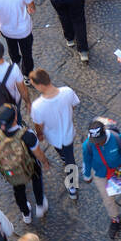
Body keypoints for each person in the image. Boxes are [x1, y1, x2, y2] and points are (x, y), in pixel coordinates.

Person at [0, 103, 48, 222]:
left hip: (12, 170)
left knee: (18, 189)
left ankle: (26, 214)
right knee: (37, 181)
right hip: (31, 166)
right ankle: (40, 206)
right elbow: (38, 153)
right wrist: (45, 162)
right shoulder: (28, 135)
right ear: (15, 118)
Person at [30, 68, 81, 197]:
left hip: (53, 137)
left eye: (34, 84)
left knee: (69, 159)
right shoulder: (67, 91)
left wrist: (39, 134)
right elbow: (73, 104)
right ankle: (67, 166)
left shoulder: (37, 106)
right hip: (68, 133)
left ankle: (72, 185)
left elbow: (38, 125)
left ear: (40, 85)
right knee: (68, 156)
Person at [81, 116, 121, 236]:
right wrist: (87, 175)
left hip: (117, 170)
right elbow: (86, 161)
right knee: (108, 199)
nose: (98, 144)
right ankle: (115, 219)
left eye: (100, 140)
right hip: (100, 174)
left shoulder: (117, 139)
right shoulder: (87, 145)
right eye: (95, 141)